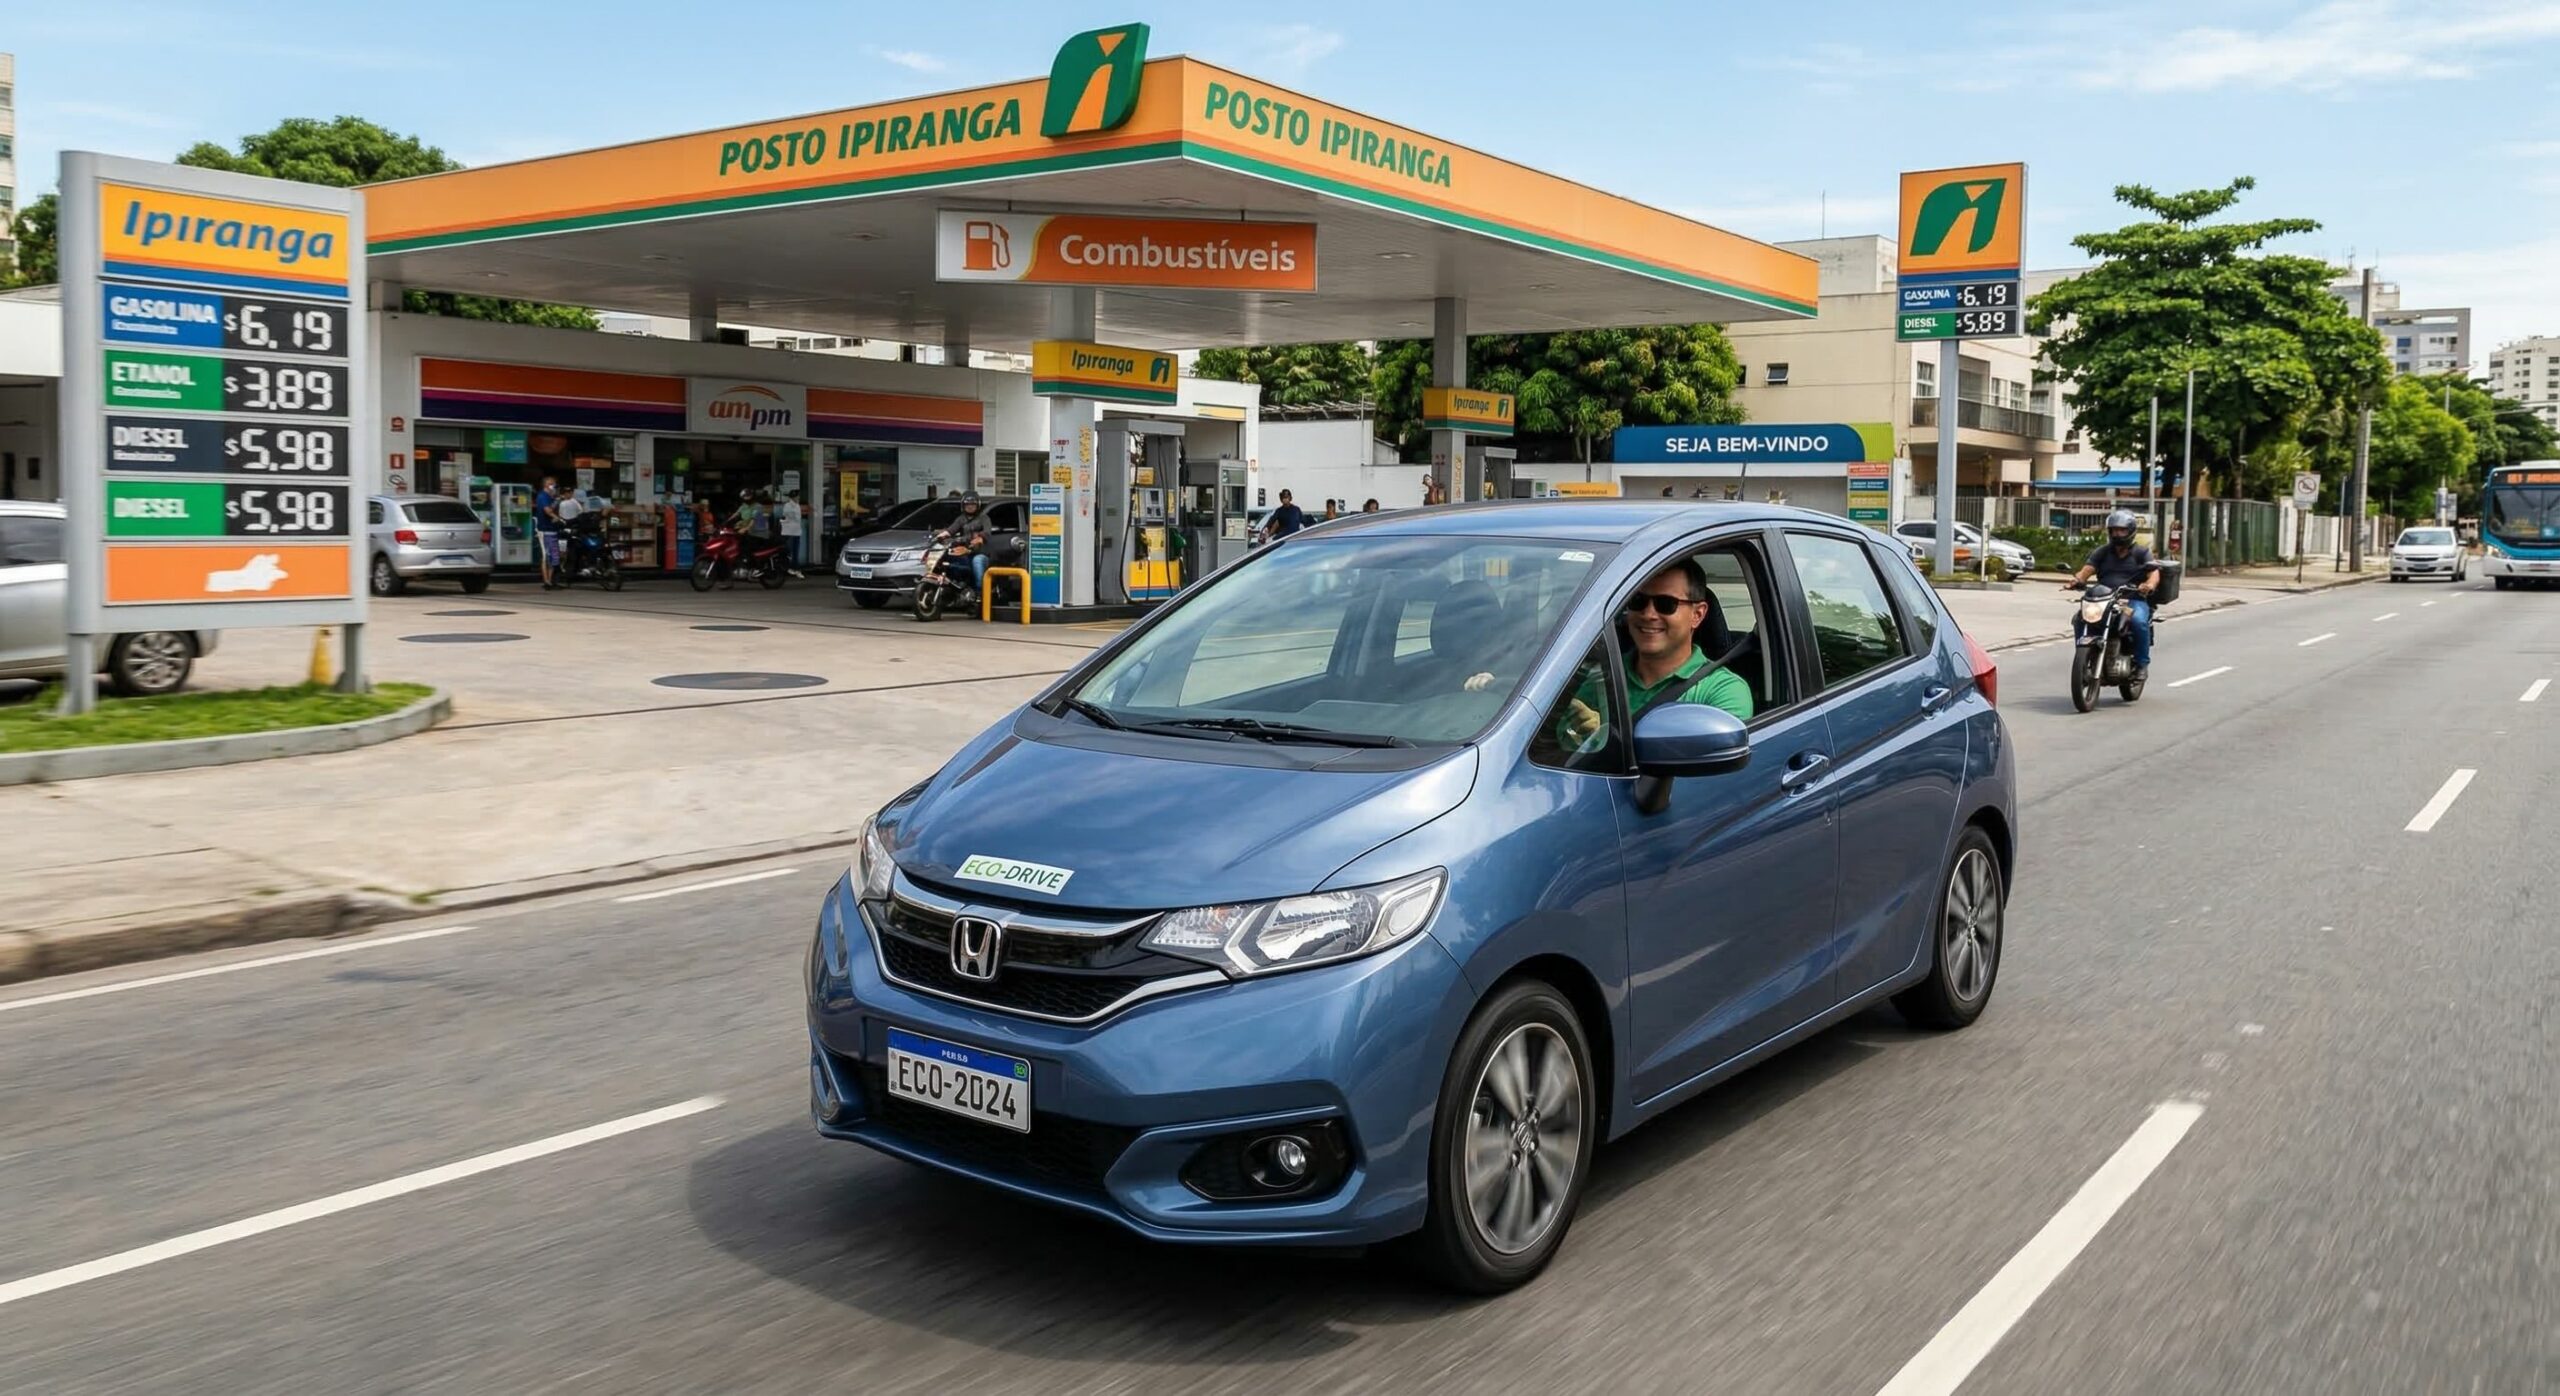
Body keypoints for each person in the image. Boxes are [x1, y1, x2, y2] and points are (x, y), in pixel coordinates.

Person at [1557, 558, 1755, 750]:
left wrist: (1604, 741)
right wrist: (1579, 735)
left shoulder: (1723, 691)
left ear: (1698, 614)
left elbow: (1709, 776)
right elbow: (1558, 746)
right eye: (1638, 601)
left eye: (1666, 604)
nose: (1649, 614)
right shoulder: (1601, 677)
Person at [2064, 508, 2161, 676]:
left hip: (2132, 600)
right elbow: (2087, 570)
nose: (2117, 534)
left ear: (2130, 531)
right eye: (2114, 530)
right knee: (2080, 619)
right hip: (2105, 599)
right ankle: (2084, 658)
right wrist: (2077, 580)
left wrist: (2149, 585)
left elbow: (2154, 573)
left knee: (2138, 622)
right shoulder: (2102, 552)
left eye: (2122, 530)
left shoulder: (2141, 553)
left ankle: (2141, 664)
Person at [532, 475, 564, 589]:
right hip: (544, 530)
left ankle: (550, 580)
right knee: (546, 555)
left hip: (553, 530)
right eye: (552, 483)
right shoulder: (543, 496)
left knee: (554, 556)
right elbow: (547, 510)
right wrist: (556, 517)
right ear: (546, 484)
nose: (554, 486)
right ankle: (546, 581)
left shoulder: (552, 497)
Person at [778, 490, 805, 575]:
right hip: (789, 531)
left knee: (795, 551)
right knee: (789, 550)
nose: (798, 498)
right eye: (797, 496)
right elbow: (788, 516)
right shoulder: (788, 506)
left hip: (796, 531)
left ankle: (794, 567)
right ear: (794, 497)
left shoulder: (797, 505)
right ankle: (787, 567)